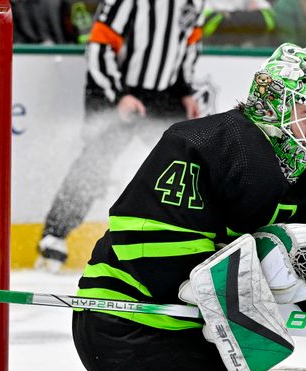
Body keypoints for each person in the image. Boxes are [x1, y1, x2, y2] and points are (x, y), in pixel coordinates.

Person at [67, 42, 306, 371]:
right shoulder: (202, 145)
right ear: (274, 101)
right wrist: (247, 280)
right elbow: (150, 255)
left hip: (206, 337)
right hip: (126, 322)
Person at [35, 0, 206, 272]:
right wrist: (119, 94)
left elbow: (189, 42)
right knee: (97, 161)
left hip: (165, 92)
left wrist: (185, 90)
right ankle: (54, 235)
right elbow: (99, 45)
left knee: (183, 164)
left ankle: (177, 241)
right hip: (117, 86)